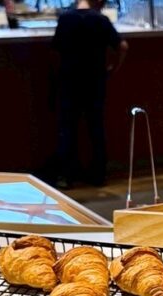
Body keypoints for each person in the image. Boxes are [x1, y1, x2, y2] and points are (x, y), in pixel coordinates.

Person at [52, 0, 128, 188]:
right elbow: (123, 46)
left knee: (68, 127)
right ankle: (98, 175)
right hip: (95, 79)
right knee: (96, 126)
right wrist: (114, 68)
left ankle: (66, 176)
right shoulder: (101, 20)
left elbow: (55, 49)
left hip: (69, 80)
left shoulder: (65, 18)